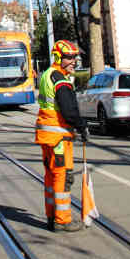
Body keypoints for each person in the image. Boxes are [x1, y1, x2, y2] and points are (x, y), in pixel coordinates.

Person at [35, 40, 88, 232]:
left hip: (46, 135)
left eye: (75, 57)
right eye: (68, 57)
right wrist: (82, 126)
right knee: (63, 177)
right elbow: (69, 111)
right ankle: (62, 219)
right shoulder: (61, 80)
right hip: (58, 137)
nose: (73, 61)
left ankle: (51, 216)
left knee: (50, 176)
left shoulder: (47, 75)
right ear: (58, 57)